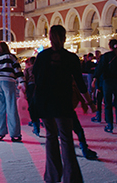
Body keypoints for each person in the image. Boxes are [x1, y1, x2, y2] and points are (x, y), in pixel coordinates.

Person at [32, 25, 85, 183]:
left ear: (49, 37)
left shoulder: (42, 57)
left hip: (46, 102)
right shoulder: (70, 58)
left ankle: (52, 176)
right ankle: (71, 178)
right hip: (63, 102)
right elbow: (80, 82)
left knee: (51, 137)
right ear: (64, 37)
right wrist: (88, 101)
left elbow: (36, 78)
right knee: (66, 139)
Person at [0, 42, 24, 142]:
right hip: (9, 81)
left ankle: (0, 133)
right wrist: (22, 81)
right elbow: (18, 70)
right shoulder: (11, 57)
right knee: (11, 107)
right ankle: (15, 134)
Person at [93, 39, 117, 133]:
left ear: (109, 46)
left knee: (108, 104)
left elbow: (100, 68)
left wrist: (95, 78)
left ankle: (110, 125)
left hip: (108, 82)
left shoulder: (106, 56)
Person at [23, 57, 40, 136]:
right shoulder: (41, 68)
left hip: (31, 87)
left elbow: (24, 80)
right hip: (40, 87)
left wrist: (24, 91)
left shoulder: (28, 70)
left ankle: (36, 126)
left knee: (32, 106)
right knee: (40, 105)